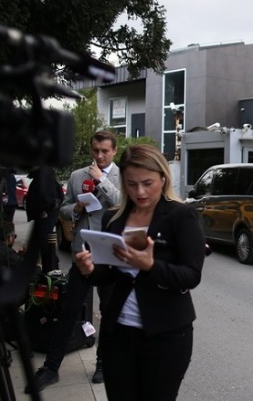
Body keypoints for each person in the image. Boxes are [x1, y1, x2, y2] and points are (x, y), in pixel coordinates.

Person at [74, 144, 206, 400]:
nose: (140, 192)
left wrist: (150, 265)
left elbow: (191, 275)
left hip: (167, 336)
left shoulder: (182, 216)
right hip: (119, 334)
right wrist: (89, 269)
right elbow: (109, 274)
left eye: (148, 183)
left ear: (163, 178)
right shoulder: (114, 218)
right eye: (132, 184)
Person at [27, 130, 121, 393]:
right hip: (82, 253)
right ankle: (51, 367)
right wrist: (76, 209)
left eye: (104, 151)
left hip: (109, 255)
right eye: (95, 150)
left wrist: (101, 180)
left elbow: (121, 204)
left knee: (109, 312)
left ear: (114, 151)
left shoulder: (121, 177)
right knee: (69, 310)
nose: (99, 156)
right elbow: (64, 209)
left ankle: (103, 362)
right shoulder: (78, 176)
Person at [25, 166, 64, 273]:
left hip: (46, 216)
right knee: (46, 244)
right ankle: (51, 268)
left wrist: (44, 210)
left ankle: (50, 269)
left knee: (46, 243)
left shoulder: (43, 175)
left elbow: (45, 196)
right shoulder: (44, 174)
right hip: (47, 215)